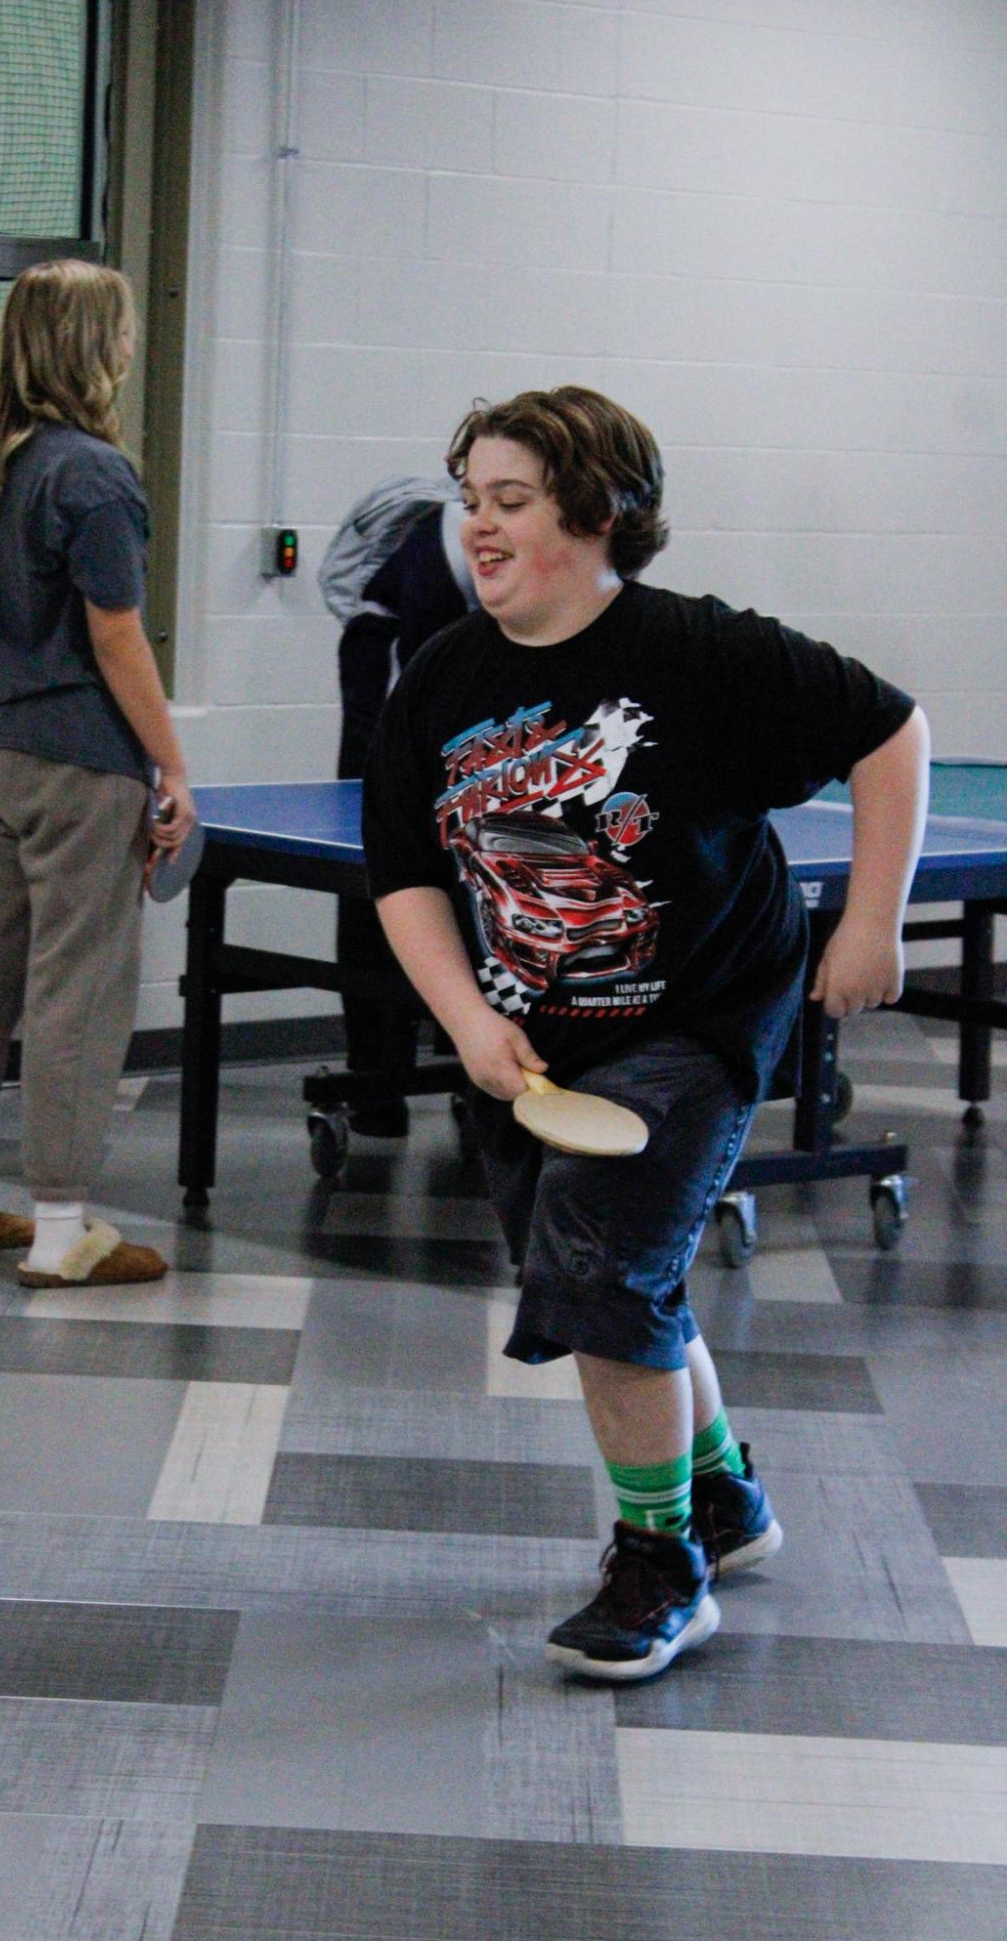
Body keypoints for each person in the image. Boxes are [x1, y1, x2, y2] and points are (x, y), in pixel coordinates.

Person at [362, 386, 929, 1681]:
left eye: (509, 501)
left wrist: (873, 924)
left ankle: (657, 1559)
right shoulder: (441, 676)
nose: (479, 528)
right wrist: (465, 1020)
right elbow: (401, 872)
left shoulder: (699, 656)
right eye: (469, 502)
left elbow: (891, 734)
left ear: (597, 514)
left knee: (605, 1267)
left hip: (698, 1014)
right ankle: (720, 1492)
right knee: (607, 1279)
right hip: (535, 1030)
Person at [0, 258, 194, 1287]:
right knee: (78, 989)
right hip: (76, 766)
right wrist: (170, 764)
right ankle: (63, 1229)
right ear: (93, 347)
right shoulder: (93, 473)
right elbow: (116, 637)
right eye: (117, 332)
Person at [321, 478, 476, 1135]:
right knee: (377, 885)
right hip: (387, 710)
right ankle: (375, 1080)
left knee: (481, 890)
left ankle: (471, 1067)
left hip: (462, 730)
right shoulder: (435, 545)